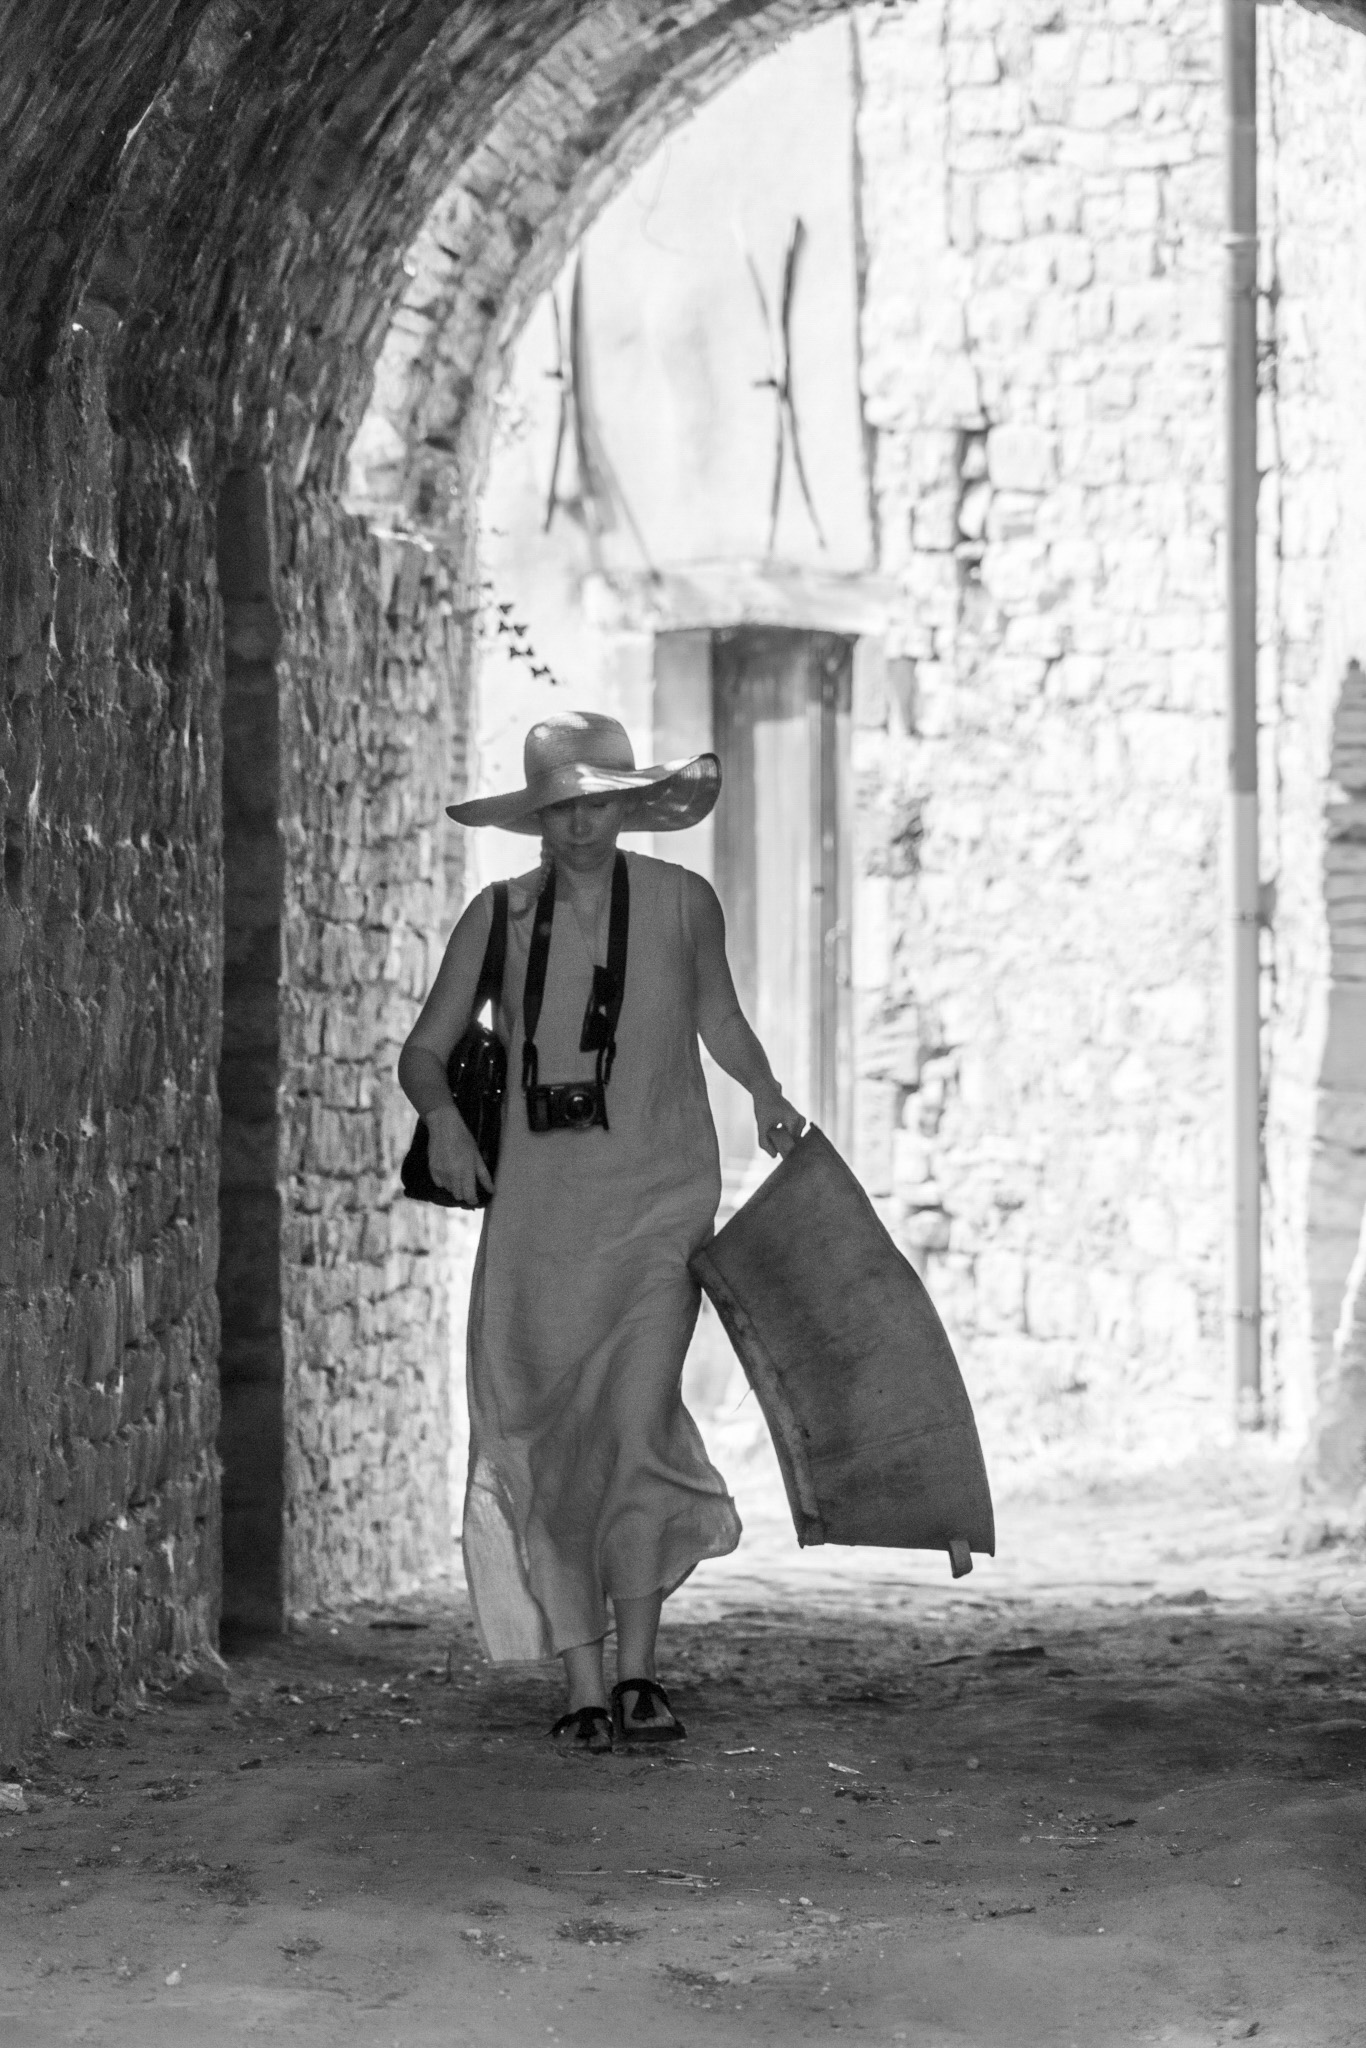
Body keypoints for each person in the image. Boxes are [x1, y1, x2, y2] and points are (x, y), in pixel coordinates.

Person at [398, 711, 804, 1752]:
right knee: (547, 1440)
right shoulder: (497, 916)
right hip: (538, 1225)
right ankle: (581, 1681)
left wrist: (764, 1093)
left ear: (629, 806)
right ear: (539, 818)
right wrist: (445, 1121)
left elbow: (720, 1019)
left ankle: (637, 1675)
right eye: (562, 808)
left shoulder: (681, 901)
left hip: (660, 1206)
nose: (581, 824)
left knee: (633, 1426)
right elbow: (425, 1050)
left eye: (599, 804)